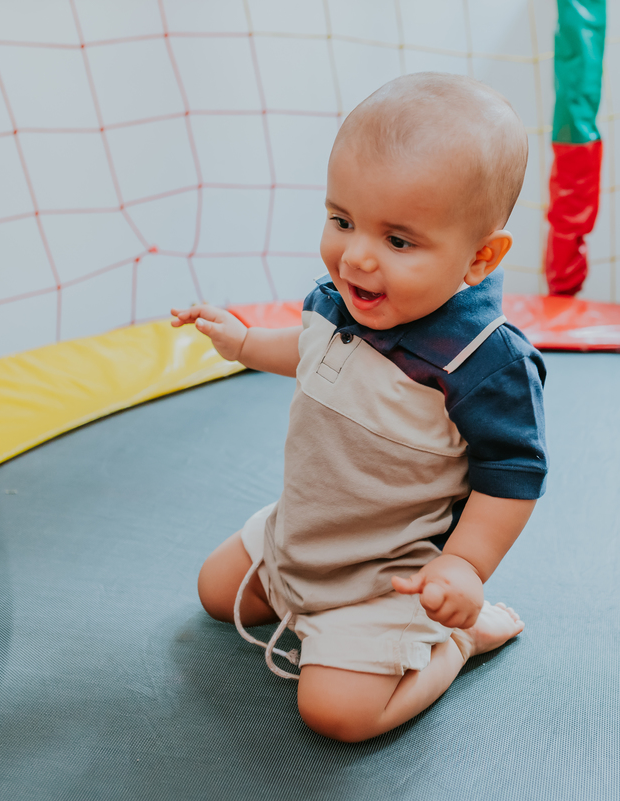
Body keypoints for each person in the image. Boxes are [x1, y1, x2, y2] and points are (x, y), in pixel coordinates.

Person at [171, 72, 547, 743]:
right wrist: (246, 342)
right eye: (342, 220)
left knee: (336, 712)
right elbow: (316, 351)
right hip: (303, 536)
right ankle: (301, 586)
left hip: (387, 577)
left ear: (480, 258)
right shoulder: (340, 298)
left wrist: (464, 566)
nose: (357, 257)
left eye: (398, 241)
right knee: (213, 588)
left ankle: (454, 645)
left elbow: (512, 471)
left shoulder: (484, 361)